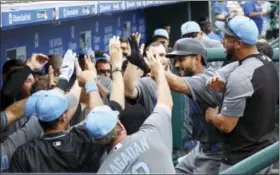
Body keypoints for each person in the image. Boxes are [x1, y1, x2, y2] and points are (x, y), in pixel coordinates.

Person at [206, 15, 279, 173]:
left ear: (239, 43)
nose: (222, 41)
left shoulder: (240, 76)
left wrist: (212, 115)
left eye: (226, 37)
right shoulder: (268, 62)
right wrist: (226, 89)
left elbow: (226, 125)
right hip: (264, 155)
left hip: (242, 162)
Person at [87, 45, 175, 174]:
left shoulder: (104, 170)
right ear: (120, 125)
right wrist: (159, 74)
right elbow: (166, 102)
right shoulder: (150, 134)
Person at [162, 38, 238, 174]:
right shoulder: (193, 77)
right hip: (201, 148)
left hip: (216, 153)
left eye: (181, 59)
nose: (177, 65)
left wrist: (154, 69)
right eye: (176, 60)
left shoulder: (207, 80)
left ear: (197, 59)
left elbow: (178, 84)